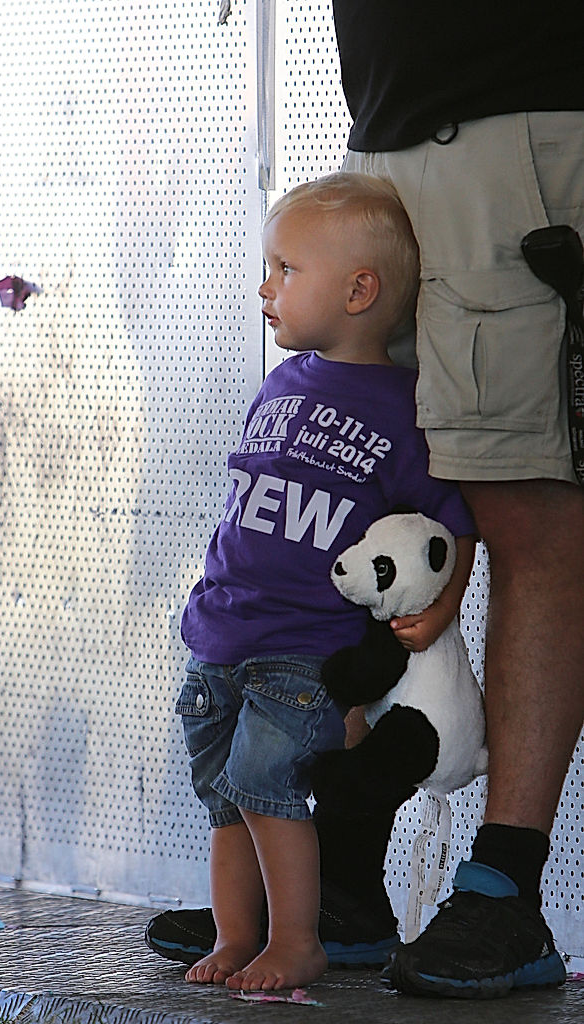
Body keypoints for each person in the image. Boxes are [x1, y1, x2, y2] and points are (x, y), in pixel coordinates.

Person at [148, 2, 584, 999]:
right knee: (349, 488)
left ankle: (502, 887)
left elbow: (496, 529)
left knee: (526, 504)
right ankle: (332, 890)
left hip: (513, 131)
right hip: (386, 132)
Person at [174, 173, 477, 992]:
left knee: (270, 789)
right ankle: (239, 935)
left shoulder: (400, 408)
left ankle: (297, 940)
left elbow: (451, 521)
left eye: (284, 270)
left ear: (358, 290)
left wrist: (445, 602)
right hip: (221, 630)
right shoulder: (280, 384)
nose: (265, 287)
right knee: (225, 795)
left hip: (301, 647)